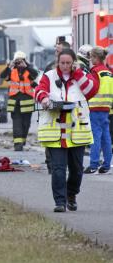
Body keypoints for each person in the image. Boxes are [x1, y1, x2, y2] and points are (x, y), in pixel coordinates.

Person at [35, 49, 99, 212]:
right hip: (55, 130)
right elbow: (39, 90)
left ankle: (71, 194)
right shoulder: (49, 76)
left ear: (73, 63)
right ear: (58, 62)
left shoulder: (81, 75)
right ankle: (60, 202)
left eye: (68, 63)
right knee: (58, 168)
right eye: (62, 63)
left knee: (77, 170)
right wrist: (45, 99)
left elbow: (91, 91)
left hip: (77, 131)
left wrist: (78, 73)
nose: (65, 66)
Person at [43, 36, 72, 173]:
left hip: (70, 113)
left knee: (68, 139)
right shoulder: (49, 68)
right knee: (51, 137)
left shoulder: (75, 69)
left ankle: (65, 165)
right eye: (56, 51)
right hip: (52, 110)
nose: (56, 53)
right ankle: (51, 165)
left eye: (58, 51)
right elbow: (41, 86)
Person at [0, 51, 38, 151]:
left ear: (25, 61)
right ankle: (18, 144)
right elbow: (2, 76)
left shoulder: (29, 71)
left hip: (27, 103)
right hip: (15, 103)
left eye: (21, 61)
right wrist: (9, 66)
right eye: (17, 61)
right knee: (17, 123)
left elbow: (35, 74)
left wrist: (26, 66)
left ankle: (22, 140)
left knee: (26, 124)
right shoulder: (12, 71)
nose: (19, 63)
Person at [84, 47, 113, 174]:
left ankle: (93, 165)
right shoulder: (108, 72)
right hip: (106, 108)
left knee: (95, 136)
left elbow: (91, 88)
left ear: (96, 58)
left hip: (94, 107)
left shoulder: (94, 71)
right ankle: (106, 165)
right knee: (106, 137)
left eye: (91, 57)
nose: (90, 60)